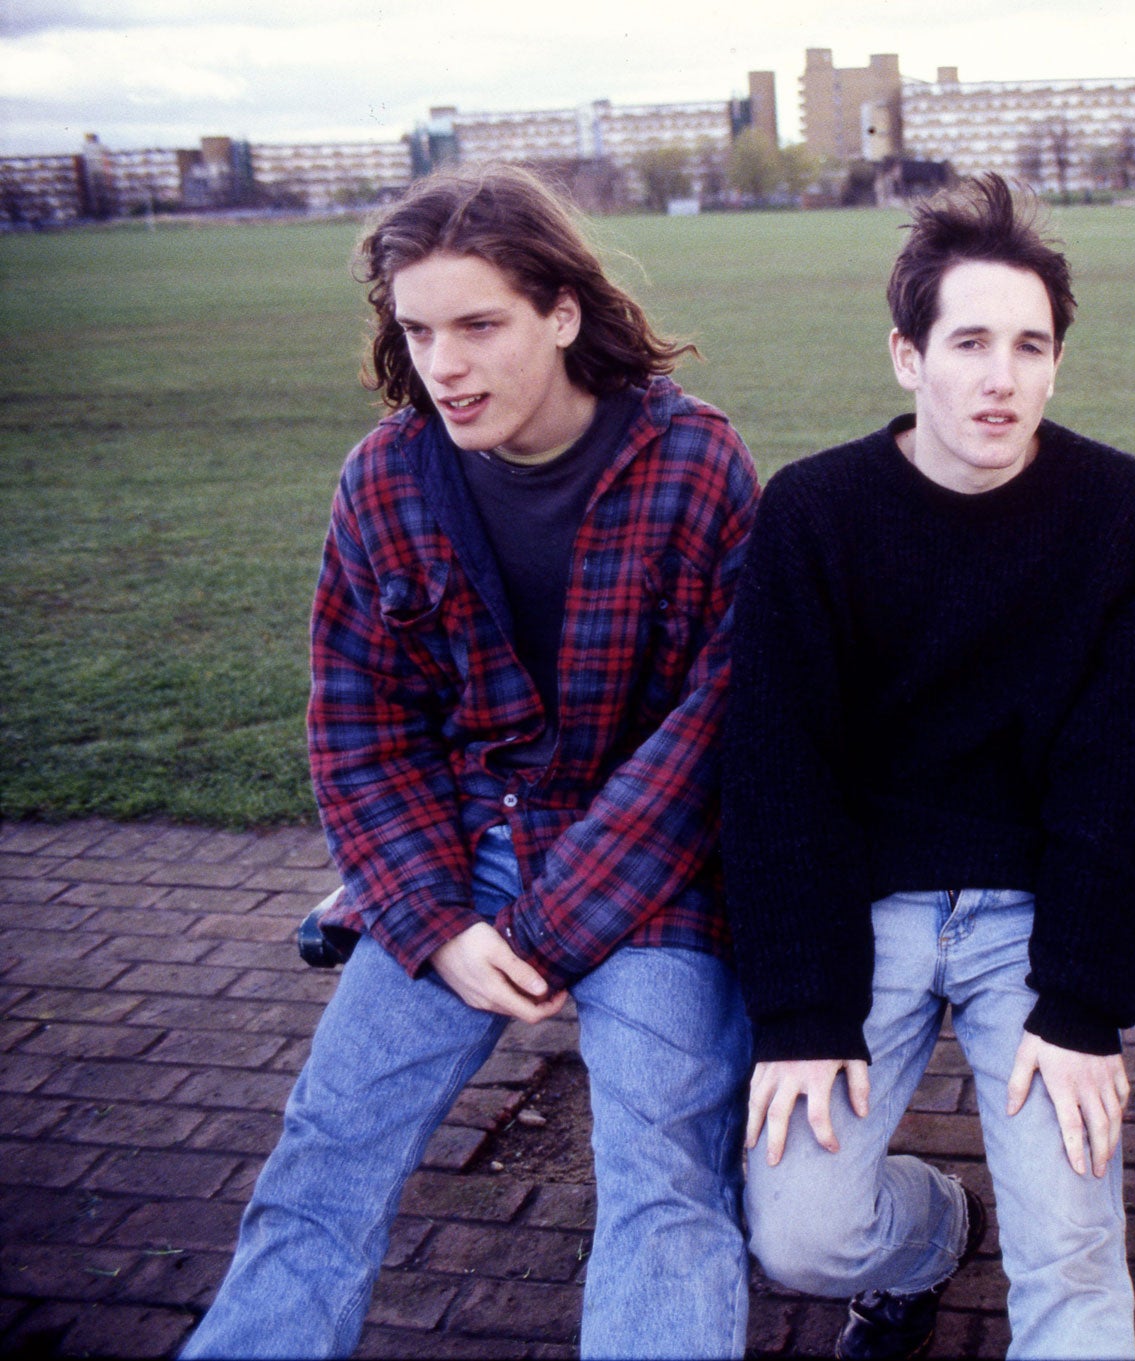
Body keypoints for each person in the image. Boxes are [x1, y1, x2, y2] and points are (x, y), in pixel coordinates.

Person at [182, 165, 757, 1359]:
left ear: (559, 310)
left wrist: (553, 923)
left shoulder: (695, 464)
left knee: (664, 1187)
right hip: (455, 867)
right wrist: (435, 920)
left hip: (649, 880)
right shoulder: (386, 480)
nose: (445, 362)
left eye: (479, 324)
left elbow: (712, 733)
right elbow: (360, 730)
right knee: (322, 1158)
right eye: (419, 328)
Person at [724, 173, 1135, 1360]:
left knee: (1073, 1252)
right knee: (800, 1238)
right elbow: (779, 772)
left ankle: (1020, 1217)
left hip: (1032, 921)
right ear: (905, 356)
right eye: (969, 341)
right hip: (862, 912)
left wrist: (1082, 1006)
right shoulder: (815, 510)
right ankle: (935, 1232)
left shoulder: (1114, 506)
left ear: (1055, 363)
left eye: (1028, 346)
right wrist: (801, 1013)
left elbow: (1127, 773)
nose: (1000, 376)